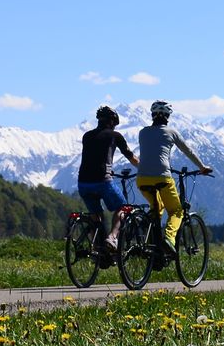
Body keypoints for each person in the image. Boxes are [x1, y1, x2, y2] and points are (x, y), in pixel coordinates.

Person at [136, 100, 213, 257]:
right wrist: (202, 167)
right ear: (168, 116)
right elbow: (188, 151)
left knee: (156, 208)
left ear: (152, 115)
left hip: (142, 178)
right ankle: (169, 239)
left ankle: (151, 243)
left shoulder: (142, 132)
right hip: (163, 177)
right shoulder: (171, 132)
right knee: (176, 211)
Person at [77, 106, 139, 250]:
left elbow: (94, 156)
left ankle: (97, 249)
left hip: (83, 183)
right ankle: (112, 238)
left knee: (96, 216)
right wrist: (143, 169)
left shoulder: (87, 136)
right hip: (102, 182)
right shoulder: (115, 136)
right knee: (122, 208)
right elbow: (131, 157)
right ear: (112, 122)